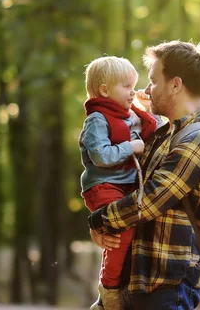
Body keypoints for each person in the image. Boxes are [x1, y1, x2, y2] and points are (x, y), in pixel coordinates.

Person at [88, 41, 200, 310]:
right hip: (138, 283)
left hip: (165, 289)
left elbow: (149, 201)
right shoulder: (164, 135)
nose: (147, 89)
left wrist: (99, 220)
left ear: (175, 84)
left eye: (153, 80)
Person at [79, 56, 158, 310]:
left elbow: (153, 135)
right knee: (121, 230)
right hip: (103, 186)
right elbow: (100, 155)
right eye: (127, 86)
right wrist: (129, 147)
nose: (133, 91)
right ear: (104, 90)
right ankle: (109, 288)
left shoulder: (129, 116)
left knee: (130, 233)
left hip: (125, 185)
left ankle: (117, 286)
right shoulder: (97, 120)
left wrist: (147, 110)